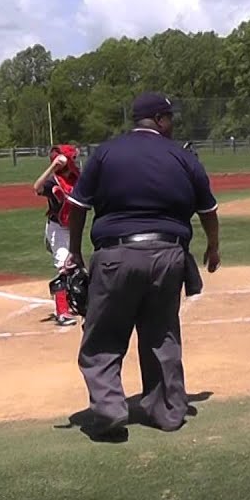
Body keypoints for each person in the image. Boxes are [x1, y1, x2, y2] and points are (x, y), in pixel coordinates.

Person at [64, 91, 221, 441]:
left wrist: (74, 250)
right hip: (169, 257)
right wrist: (213, 248)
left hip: (116, 255)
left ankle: (109, 411)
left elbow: (77, 205)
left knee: (104, 335)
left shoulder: (106, 152)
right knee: (162, 334)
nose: (172, 125)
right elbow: (208, 210)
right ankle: (167, 412)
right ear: (160, 120)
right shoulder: (182, 157)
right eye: (171, 119)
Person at [35, 144, 82, 326]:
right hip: (58, 228)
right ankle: (62, 312)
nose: (75, 162)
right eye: (72, 159)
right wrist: (53, 167)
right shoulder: (54, 181)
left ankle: (74, 302)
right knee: (63, 265)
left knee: (76, 266)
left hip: (73, 227)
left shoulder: (77, 177)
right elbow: (37, 187)